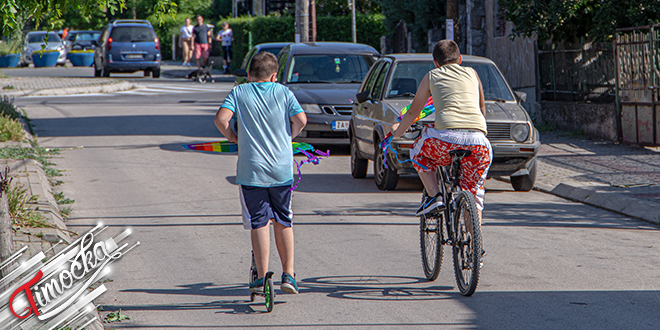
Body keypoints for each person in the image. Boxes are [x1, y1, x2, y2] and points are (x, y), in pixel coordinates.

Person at [214, 52, 307, 294]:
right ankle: (289, 274)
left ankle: (262, 278)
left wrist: (234, 137)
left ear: (248, 75)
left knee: (259, 222)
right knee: (284, 220)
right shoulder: (284, 93)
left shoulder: (239, 92)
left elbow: (221, 119)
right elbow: (301, 120)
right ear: (274, 76)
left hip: (251, 169)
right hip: (281, 169)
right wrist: (288, 137)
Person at [391, 39, 492, 223]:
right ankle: (474, 245)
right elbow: (482, 109)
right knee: (474, 194)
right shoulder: (473, 73)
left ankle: (435, 196)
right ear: (460, 59)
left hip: (446, 139)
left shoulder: (432, 76)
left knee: (417, 151)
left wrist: (397, 133)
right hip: (479, 142)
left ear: (435, 63)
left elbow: (414, 111)